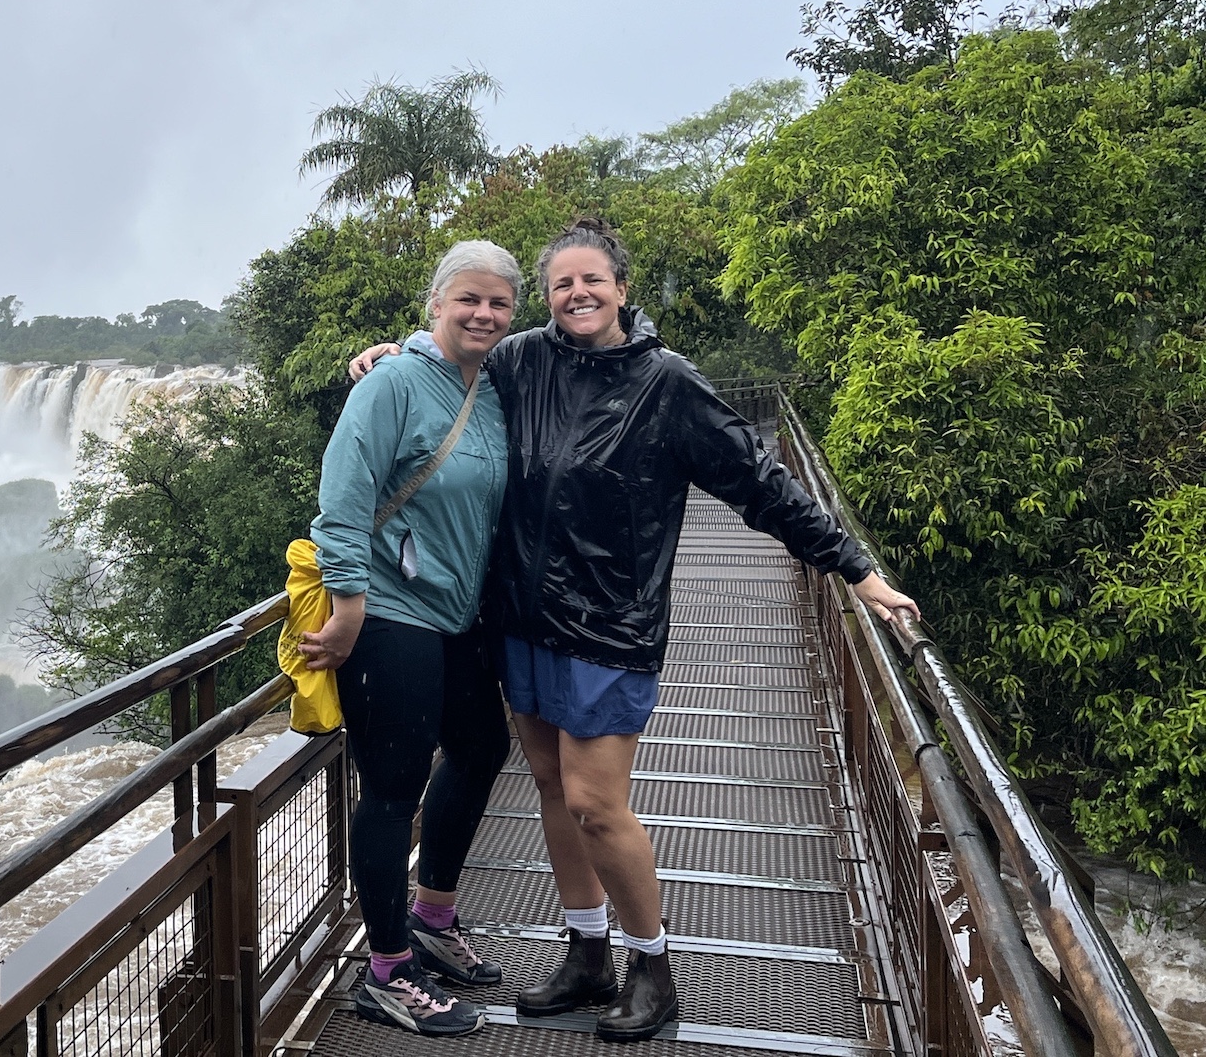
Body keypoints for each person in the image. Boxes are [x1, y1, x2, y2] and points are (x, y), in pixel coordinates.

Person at [349, 219, 919, 1043]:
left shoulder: (667, 384)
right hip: (521, 619)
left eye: (593, 281)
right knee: (551, 787)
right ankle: (587, 956)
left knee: (595, 802)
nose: (577, 295)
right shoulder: (522, 360)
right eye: (561, 285)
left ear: (622, 286)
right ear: (547, 298)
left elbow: (762, 483)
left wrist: (855, 569)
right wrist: (388, 351)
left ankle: (653, 967)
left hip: (612, 627)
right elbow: (449, 355)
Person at [300, 239, 521, 1038]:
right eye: (469, 298)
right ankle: (387, 970)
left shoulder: (494, 386)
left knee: (480, 745)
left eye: (498, 302)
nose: (483, 314)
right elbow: (342, 501)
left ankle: (432, 914)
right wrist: (351, 606)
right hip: (391, 613)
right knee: (394, 786)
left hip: (458, 616)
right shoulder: (392, 381)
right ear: (436, 302)